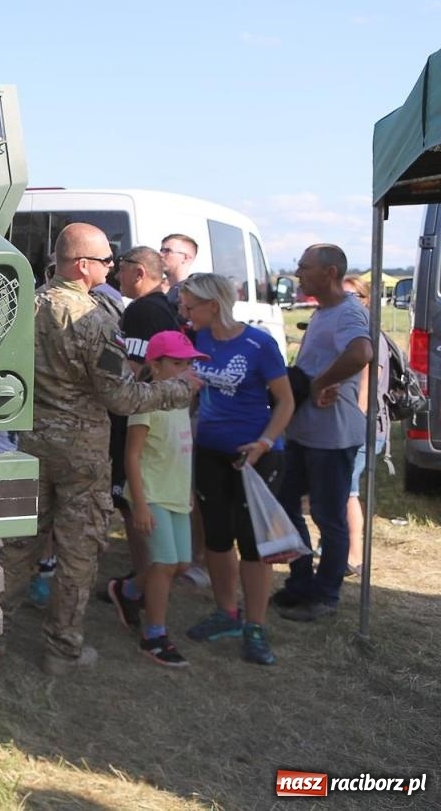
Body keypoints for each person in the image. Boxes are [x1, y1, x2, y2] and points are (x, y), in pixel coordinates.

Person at [0, 223, 200, 676]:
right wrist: (177, 391)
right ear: (83, 265)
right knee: (78, 551)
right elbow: (121, 398)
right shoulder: (95, 319)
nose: (113, 268)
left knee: (18, 547)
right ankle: (62, 649)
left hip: (31, 443)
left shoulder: (22, 307)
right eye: (108, 261)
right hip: (81, 452)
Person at [180, 272, 293, 665]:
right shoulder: (199, 339)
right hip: (210, 451)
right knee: (216, 536)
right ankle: (226, 612)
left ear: (214, 304)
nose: (185, 312)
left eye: (191, 305)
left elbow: (285, 402)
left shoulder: (259, 343)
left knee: (253, 543)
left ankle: (256, 627)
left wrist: (263, 444)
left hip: (255, 456)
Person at [273, 244, 373, 622]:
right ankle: (301, 583)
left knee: (328, 516)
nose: (298, 274)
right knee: (285, 503)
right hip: (305, 431)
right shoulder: (323, 312)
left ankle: (325, 595)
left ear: (329, 273)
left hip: (332, 436)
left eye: (304, 267)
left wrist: (322, 382)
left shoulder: (347, 311)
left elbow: (361, 352)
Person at [100, 247, 191, 613]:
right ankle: (149, 578)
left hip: (138, 421)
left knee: (132, 507)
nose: (114, 277)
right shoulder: (166, 307)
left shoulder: (141, 310)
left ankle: (141, 582)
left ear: (138, 272)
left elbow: (133, 373)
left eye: (119, 270)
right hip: (162, 421)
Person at [115, 330, 205, 667]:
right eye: (178, 363)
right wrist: (139, 503)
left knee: (180, 564)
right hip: (151, 493)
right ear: (156, 364)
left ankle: (128, 591)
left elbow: (180, 452)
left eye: (189, 363)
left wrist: (188, 491)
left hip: (176, 495)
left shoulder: (181, 401)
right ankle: (154, 635)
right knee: (165, 564)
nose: (185, 369)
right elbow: (132, 456)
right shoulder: (146, 402)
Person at [341, 276, 391, 577]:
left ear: (364, 299)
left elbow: (366, 389)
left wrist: (353, 426)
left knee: (348, 491)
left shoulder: (369, 336)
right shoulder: (358, 332)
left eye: (352, 296)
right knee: (342, 491)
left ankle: (355, 556)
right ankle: (340, 546)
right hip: (355, 424)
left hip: (362, 426)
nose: (346, 302)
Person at [161, 233, 199, 309]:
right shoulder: (159, 291)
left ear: (185, 258)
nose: (160, 255)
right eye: (161, 250)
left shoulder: (193, 295)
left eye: (167, 251)